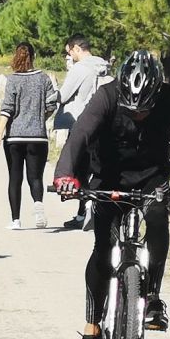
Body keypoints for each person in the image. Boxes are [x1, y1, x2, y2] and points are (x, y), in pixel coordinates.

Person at [53, 50, 170, 339]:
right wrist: (66, 175)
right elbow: (80, 134)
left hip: (150, 176)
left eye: (143, 110)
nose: (137, 115)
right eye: (131, 110)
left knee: (158, 217)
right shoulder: (105, 96)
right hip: (109, 176)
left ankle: (153, 297)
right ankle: (92, 324)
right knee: (103, 250)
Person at [0, 42, 59, 229]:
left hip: (14, 137)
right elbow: (52, 104)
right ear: (34, 56)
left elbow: (7, 109)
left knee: (15, 177)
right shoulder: (44, 78)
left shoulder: (13, 80)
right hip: (37, 136)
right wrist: (40, 119)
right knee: (35, 177)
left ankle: (16, 220)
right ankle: (38, 204)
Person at [52, 34, 110, 230]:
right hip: (103, 124)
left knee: (80, 170)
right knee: (98, 169)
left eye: (70, 52)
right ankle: (94, 210)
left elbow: (63, 95)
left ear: (76, 48)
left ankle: (83, 214)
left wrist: (52, 88)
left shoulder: (80, 69)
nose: (70, 56)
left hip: (80, 123)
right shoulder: (103, 67)